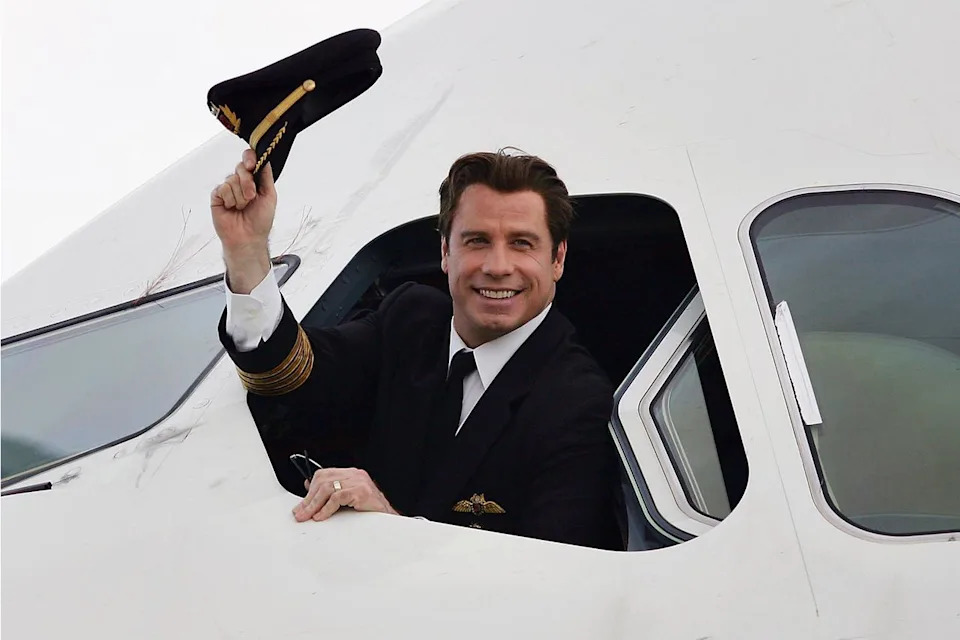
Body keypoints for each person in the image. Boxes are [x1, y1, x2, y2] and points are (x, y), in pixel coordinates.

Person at [212, 148, 624, 550]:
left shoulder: (576, 400)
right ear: (446, 252)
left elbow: (551, 578)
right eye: (477, 240)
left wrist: (388, 526)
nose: (498, 265)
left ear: (557, 259)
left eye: (521, 243)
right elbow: (290, 372)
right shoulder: (410, 319)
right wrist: (246, 251)